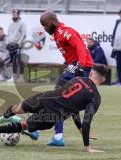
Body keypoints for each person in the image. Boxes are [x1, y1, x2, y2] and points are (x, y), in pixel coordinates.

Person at [0, 65, 107, 153]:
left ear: (91, 74)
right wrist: (87, 147)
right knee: (24, 125)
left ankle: (4, 116)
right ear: (103, 79)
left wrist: (80, 129)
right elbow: (85, 120)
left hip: (45, 98)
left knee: (19, 108)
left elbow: (73, 106)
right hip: (54, 115)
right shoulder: (95, 97)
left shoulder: (78, 79)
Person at [39, 10, 94, 146]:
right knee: (67, 100)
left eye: (45, 25)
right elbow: (72, 52)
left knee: (57, 97)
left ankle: (55, 135)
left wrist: (80, 66)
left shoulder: (64, 31)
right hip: (75, 65)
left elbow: (80, 46)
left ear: (52, 22)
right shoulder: (58, 33)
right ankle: (60, 134)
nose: (45, 29)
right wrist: (69, 62)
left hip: (80, 65)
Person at [6, 9, 27, 82]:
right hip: (11, 47)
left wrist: (19, 43)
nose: (15, 15)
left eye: (16, 14)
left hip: (18, 46)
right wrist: (8, 43)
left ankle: (21, 78)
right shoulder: (10, 25)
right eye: (14, 14)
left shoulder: (22, 24)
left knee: (19, 61)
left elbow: (23, 34)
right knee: (13, 61)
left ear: (18, 15)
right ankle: (14, 77)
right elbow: (8, 35)